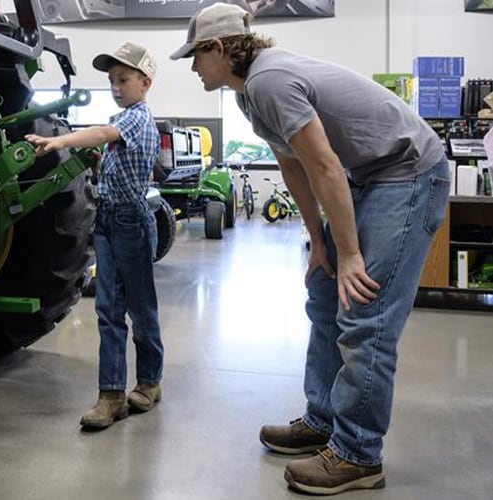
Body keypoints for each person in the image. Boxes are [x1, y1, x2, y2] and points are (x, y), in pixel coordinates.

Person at [170, 3, 450, 495]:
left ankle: (359, 455)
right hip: (367, 177)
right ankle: (323, 421)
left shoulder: (269, 82)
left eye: (195, 56)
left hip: (407, 174)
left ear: (217, 49)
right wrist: (320, 244)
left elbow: (323, 165)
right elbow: (294, 168)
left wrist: (350, 254)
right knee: (324, 296)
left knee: (365, 310)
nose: (192, 68)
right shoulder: (247, 95)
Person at [26, 42, 163, 430]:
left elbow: (103, 132)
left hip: (131, 224)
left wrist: (59, 141)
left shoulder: (136, 118)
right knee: (107, 311)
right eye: (112, 81)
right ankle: (112, 395)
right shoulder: (124, 119)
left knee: (141, 309)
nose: (116, 86)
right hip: (107, 220)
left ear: (145, 82)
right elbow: (110, 152)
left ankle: (150, 383)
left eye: (123, 79)